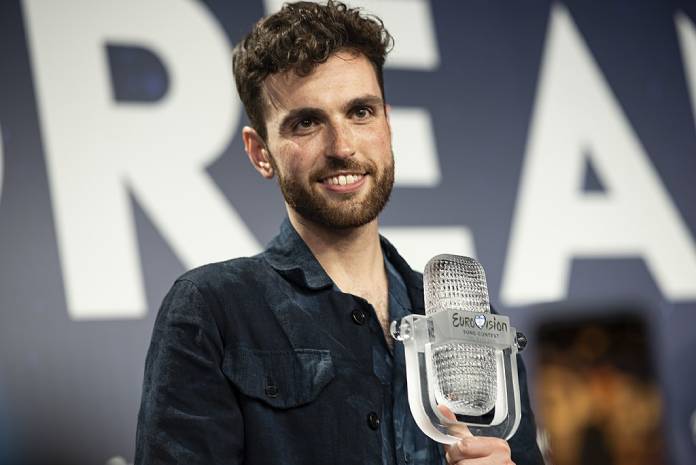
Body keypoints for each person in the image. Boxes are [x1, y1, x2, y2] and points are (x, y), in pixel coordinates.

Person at [135, 2, 544, 464]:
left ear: (387, 123)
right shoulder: (211, 311)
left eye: (360, 112)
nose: (342, 146)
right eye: (306, 123)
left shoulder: (466, 319)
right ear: (260, 153)